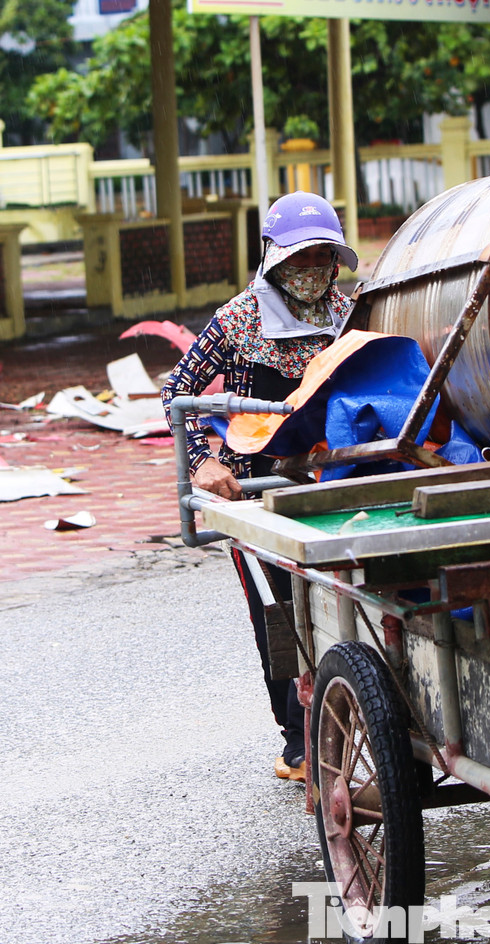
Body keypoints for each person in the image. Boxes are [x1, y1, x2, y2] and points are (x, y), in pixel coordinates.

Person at [161, 192, 359, 783]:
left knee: (346, 604)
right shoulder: (238, 320)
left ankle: (360, 718)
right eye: (300, 260)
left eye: (323, 259)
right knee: (278, 615)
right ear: (274, 259)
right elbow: (177, 390)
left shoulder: (350, 314)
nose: (312, 273)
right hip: (258, 493)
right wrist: (200, 461)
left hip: (334, 483)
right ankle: (297, 741)